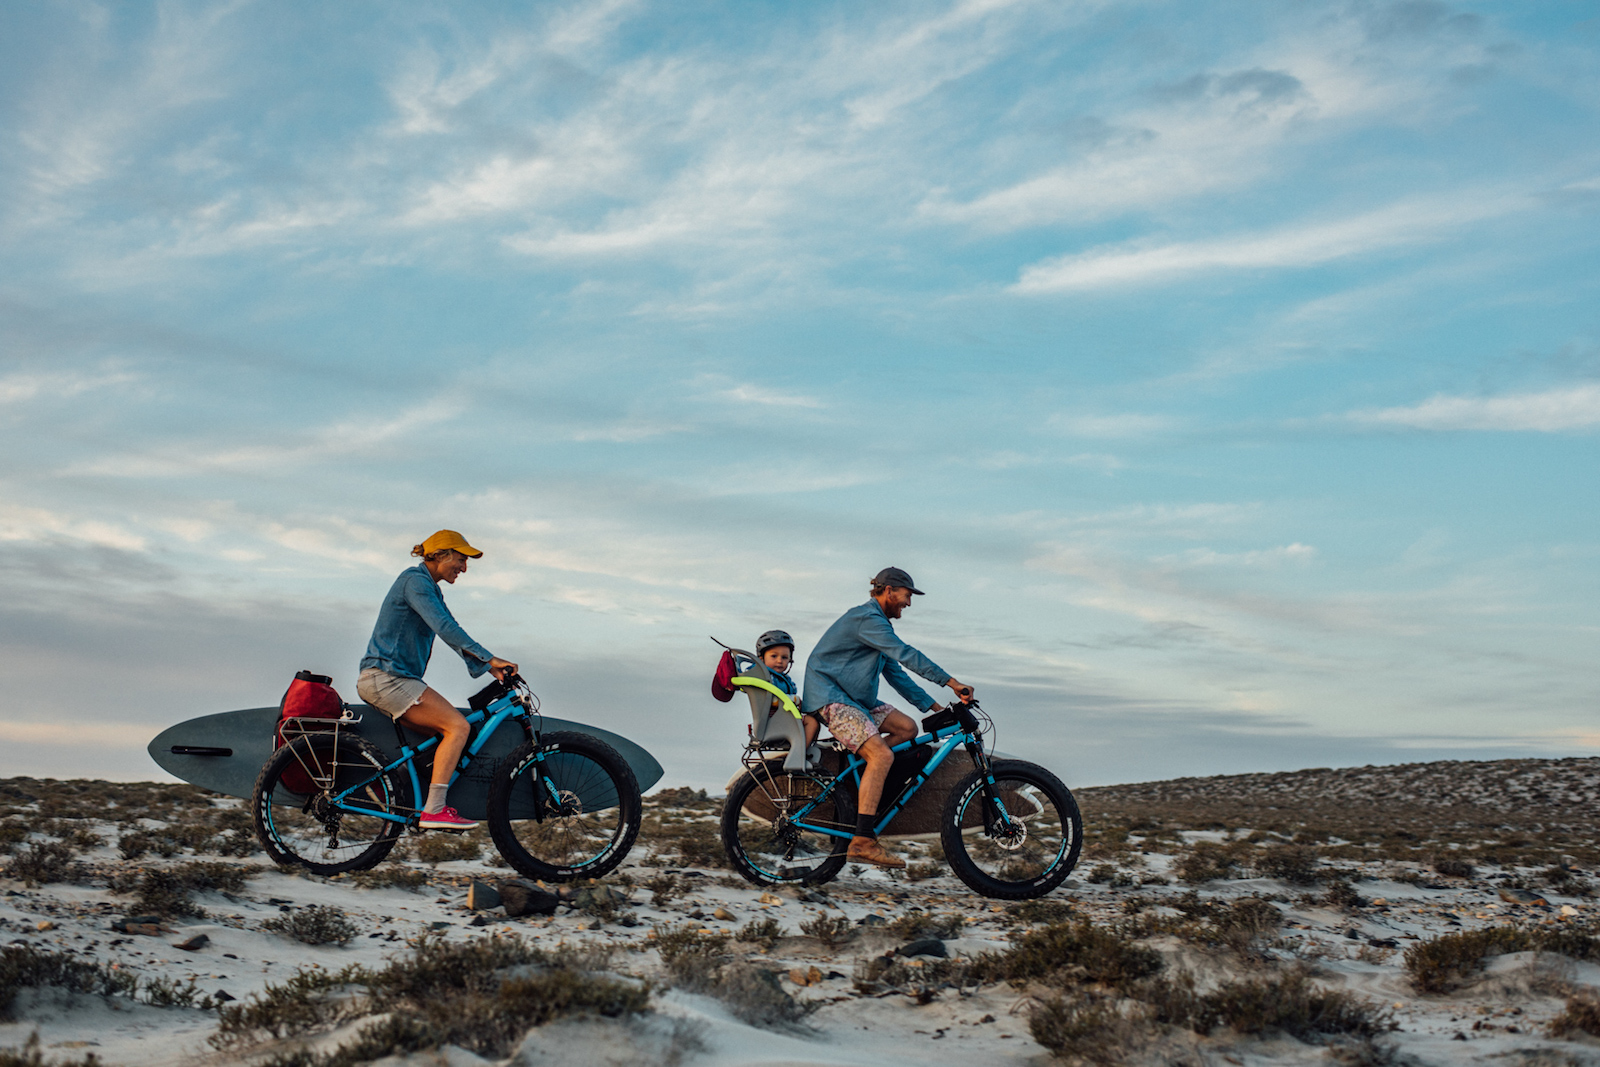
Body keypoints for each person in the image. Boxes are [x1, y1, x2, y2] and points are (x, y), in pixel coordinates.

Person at [802, 567, 973, 868]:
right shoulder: (867, 619)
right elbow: (906, 654)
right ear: (890, 590)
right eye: (907, 596)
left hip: (854, 701)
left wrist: (936, 708)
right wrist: (951, 681)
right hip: (831, 698)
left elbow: (898, 675)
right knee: (881, 756)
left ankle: (864, 783)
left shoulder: (878, 628)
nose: (908, 603)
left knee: (907, 729)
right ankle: (863, 841)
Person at [356, 530, 519, 831]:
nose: (464, 567)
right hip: (388, 678)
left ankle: (405, 791)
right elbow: (443, 627)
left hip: (391, 679)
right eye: (460, 559)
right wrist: (490, 659)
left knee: (440, 738)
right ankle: (434, 809)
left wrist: (488, 666)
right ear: (441, 554)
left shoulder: (429, 588)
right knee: (457, 727)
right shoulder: (415, 582)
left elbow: (451, 628)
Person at [755, 629, 819, 752]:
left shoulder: (783, 679)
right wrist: (794, 700)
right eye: (774, 656)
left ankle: (803, 748)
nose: (780, 661)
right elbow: (770, 699)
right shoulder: (763, 677)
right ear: (761, 658)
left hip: (783, 717)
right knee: (812, 722)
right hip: (774, 721)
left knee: (813, 719)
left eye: (784, 657)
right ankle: (799, 753)